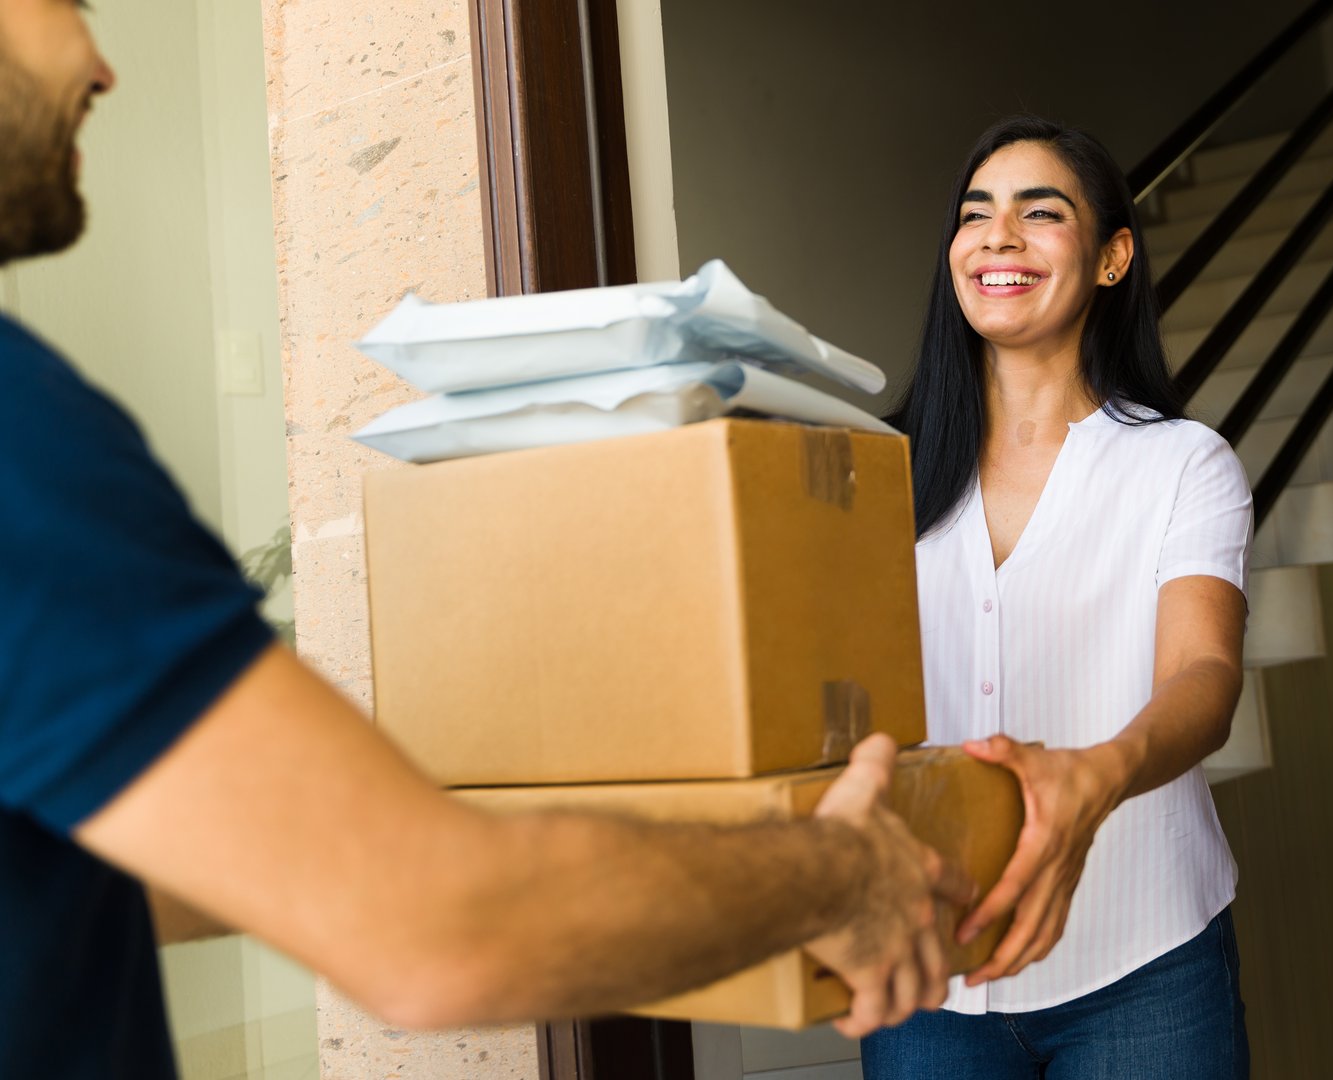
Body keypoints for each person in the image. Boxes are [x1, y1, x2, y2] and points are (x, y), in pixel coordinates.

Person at [0, 3, 974, 1076]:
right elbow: (434, 932)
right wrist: (840, 874)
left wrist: (406, 846)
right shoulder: (21, 440)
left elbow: (93, 863)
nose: (101, 67)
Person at [862, 116, 1253, 1078]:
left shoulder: (1181, 464)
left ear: (1113, 257)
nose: (998, 236)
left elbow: (1203, 673)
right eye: (975, 214)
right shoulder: (872, 474)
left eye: (1041, 214)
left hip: (1144, 958)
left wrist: (1099, 772)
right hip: (926, 971)